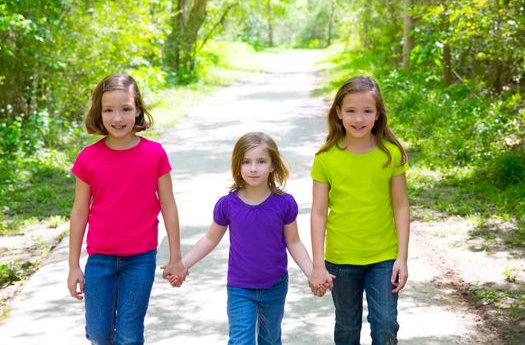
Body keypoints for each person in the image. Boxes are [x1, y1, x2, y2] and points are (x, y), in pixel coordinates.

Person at [169, 132, 332, 344]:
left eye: (261, 161)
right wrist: (183, 264)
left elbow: (293, 242)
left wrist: (313, 273)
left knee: (271, 340)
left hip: (275, 285)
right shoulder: (227, 205)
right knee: (240, 341)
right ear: (238, 166)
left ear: (273, 165)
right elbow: (210, 239)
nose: (253, 168)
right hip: (240, 287)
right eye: (246, 162)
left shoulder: (284, 203)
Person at [67, 74, 188, 345]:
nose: (117, 118)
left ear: (138, 111)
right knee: (99, 334)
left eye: (126, 109)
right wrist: (74, 265)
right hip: (100, 259)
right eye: (109, 110)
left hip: (140, 259)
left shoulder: (154, 154)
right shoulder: (88, 158)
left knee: (130, 334)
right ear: (99, 113)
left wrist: (176, 257)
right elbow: (79, 212)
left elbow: (168, 206)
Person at [309, 76, 410, 345]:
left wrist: (402, 257)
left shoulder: (390, 154)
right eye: (351, 110)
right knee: (346, 327)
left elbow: (401, 205)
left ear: (378, 115)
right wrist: (318, 264)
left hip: (384, 257)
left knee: (386, 324)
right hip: (341, 260)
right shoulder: (326, 158)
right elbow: (318, 212)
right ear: (339, 113)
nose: (358, 118)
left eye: (367, 111)